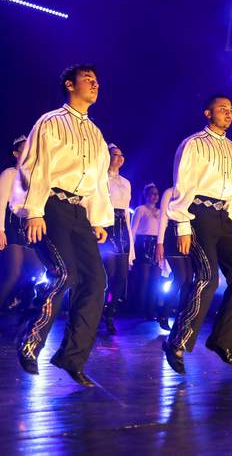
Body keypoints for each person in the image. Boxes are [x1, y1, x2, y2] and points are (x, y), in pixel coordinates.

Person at [11, 64, 114, 387]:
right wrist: (34, 211)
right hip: (51, 206)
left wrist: (98, 218)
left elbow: (98, 181)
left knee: (96, 281)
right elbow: (36, 167)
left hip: (79, 212)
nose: (95, 84)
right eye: (88, 79)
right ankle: (30, 338)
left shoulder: (96, 134)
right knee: (64, 272)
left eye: (97, 80)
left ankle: (72, 357)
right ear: (70, 85)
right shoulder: (51, 122)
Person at [162, 94, 232, 375]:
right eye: (222, 109)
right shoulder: (194, 144)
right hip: (198, 214)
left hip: (224, 218)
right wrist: (182, 224)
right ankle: (177, 342)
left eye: (231, 110)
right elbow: (183, 185)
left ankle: (222, 341)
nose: (228, 113)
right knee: (207, 278)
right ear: (207, 113)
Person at [0, 136, 42, 315]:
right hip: (10, 225)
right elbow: (1, 202)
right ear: (16, 154)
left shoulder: (33, 177)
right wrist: (0, 230)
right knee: (13, 273)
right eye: (24, 147)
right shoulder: (9, 174)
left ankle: (18, 302)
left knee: (36, 270)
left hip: (27, 228)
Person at [100, 143, 135, 334]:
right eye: (115, 154)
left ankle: (109, 313)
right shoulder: (100, 178)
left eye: (122, 155)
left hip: (122, 228)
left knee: (121, 278)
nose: (120, 158)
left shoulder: (126, 183)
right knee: (109, 274)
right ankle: (98, 312)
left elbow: (127, 213)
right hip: (106, 224)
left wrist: (131, 245)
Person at [156, 187, 194, 331]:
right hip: (172, 236)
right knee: (180, 278)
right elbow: (163, 219)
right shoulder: (169, 192)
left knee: (189, 279)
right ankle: (164, 314)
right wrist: (160, 243)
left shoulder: (192, 190)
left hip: (189, 235)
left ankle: (181, 317)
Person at [131, 183, 161, 320]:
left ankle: (151, 309)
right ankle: (141, 309)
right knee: (144, 279)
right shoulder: (140, 210)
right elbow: (133, 231)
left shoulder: (161, 212)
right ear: (146, 195)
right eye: (152, 193)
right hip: (143, 243)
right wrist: (131, 251)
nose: (155, 196)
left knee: (155, 279)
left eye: (157, 194)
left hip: (156, 244)